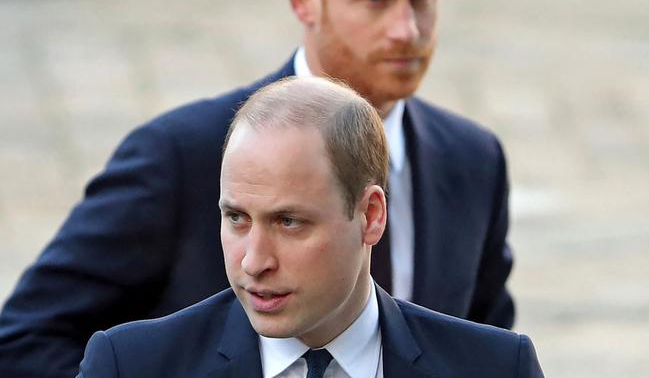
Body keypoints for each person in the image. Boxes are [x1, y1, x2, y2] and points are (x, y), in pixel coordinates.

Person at [0, 0, 514, 376]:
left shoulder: (472, 160)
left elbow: (475, 343)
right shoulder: (185, 153)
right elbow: (23, 339)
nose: (407, 29)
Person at [76, 77, 542, 378]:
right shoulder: (130, 366)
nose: (254, 261)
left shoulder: (496, 368)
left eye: (289, 222)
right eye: (236, 218)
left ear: (371, 216)